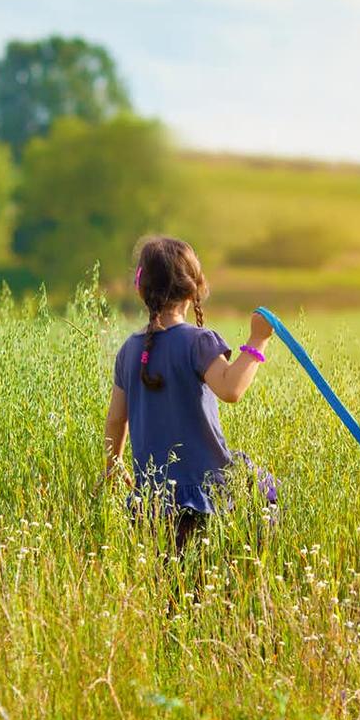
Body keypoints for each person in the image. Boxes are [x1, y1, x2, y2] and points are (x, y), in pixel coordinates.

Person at [103, 236, 278, 551]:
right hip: (207, 492)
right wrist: (258, 340)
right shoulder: (198, 342)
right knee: (264, 501)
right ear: (194, 288)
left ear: (140, 288)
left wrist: (113, 464)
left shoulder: (129, 350)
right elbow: (232, 389)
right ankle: (254, 583)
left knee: (175, 584)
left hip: (156, 499)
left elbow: (116, 420)